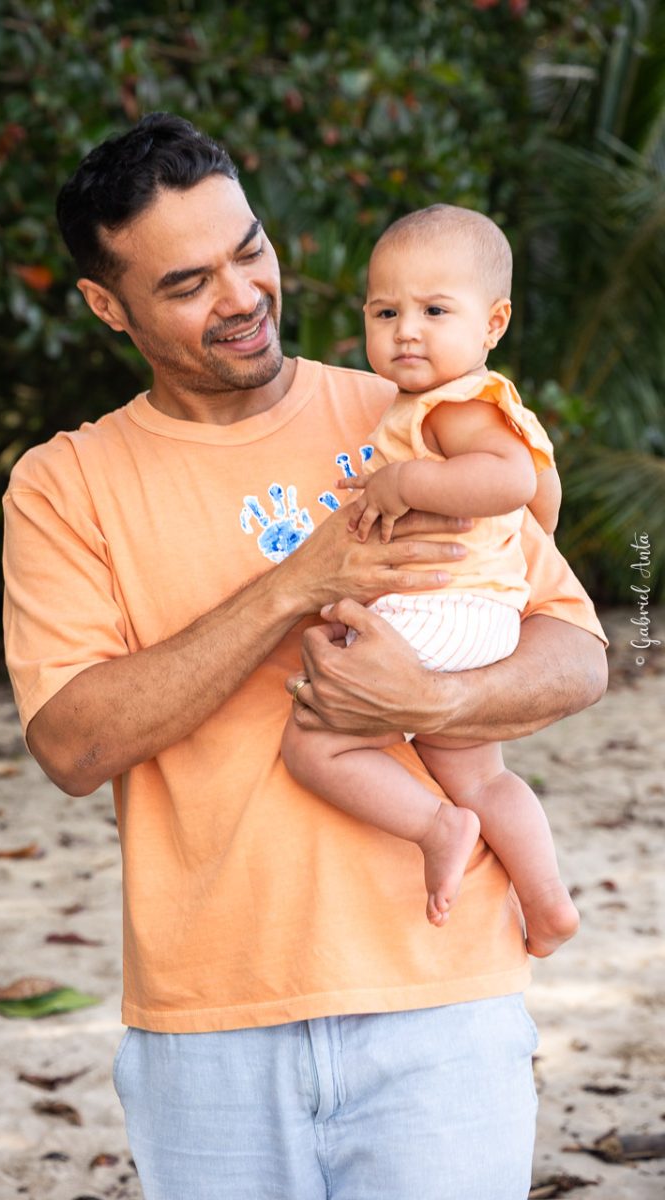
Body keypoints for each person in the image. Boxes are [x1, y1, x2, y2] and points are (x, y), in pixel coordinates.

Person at [2, 113, 607, 1200]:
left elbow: (576, 655)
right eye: (187, 283)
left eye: (249, 252)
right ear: (107, 305)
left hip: (440, 999)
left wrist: (434, 695)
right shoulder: (63, 484)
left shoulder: (411, 410)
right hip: (208, 1021)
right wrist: (298, 581)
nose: (240, 297)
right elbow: (75, 743)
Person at [281, 204, 580, 955]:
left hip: (441, 611)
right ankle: (546, 902)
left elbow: (511, 481)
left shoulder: (455, 405)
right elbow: (546, 500)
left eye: (434, 310)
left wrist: (409, 481)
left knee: (315, 746)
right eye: (387, 311)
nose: (406, 329)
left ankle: (433, 825)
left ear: (493, 322)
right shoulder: (481, 403)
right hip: (480, 613)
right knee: (479, 774)